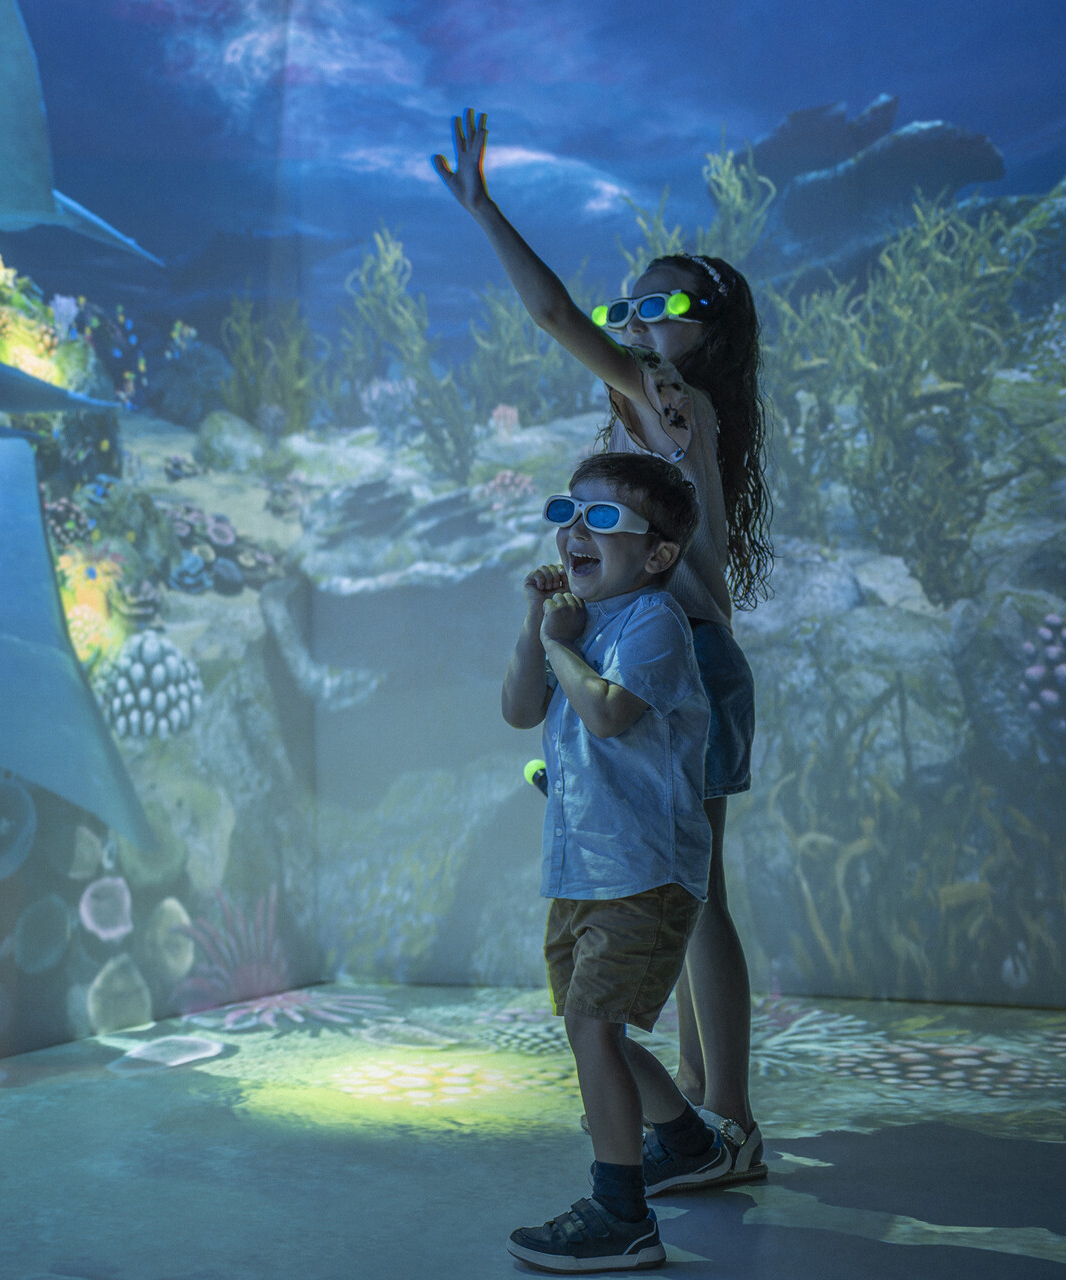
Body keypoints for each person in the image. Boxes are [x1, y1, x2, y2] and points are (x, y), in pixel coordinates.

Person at [435, 108, 773, 1186]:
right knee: (677, 887)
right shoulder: (665, 415)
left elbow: (547, 309)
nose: (633, 321)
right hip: (660, 650)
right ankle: (700, 1116)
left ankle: (726, 1119)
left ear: (707, 331)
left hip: (684, 659)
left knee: (695, 891)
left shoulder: (670, 399)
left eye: (660, 307)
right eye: (629, 306)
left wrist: (487, 212)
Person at [500, 453, 715, 1271]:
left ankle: (621, 1212)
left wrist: (562, 648)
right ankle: (688, 1145)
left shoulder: (652, 622)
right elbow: (522, 711)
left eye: (602, 520)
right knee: (594, 1026)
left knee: (595, 1024)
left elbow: (610, 713)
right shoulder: (576, 624)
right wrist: (537, 629)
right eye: (568, 514)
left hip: (644, 869)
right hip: (583, 867)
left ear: (657, 554)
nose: (574, 533)